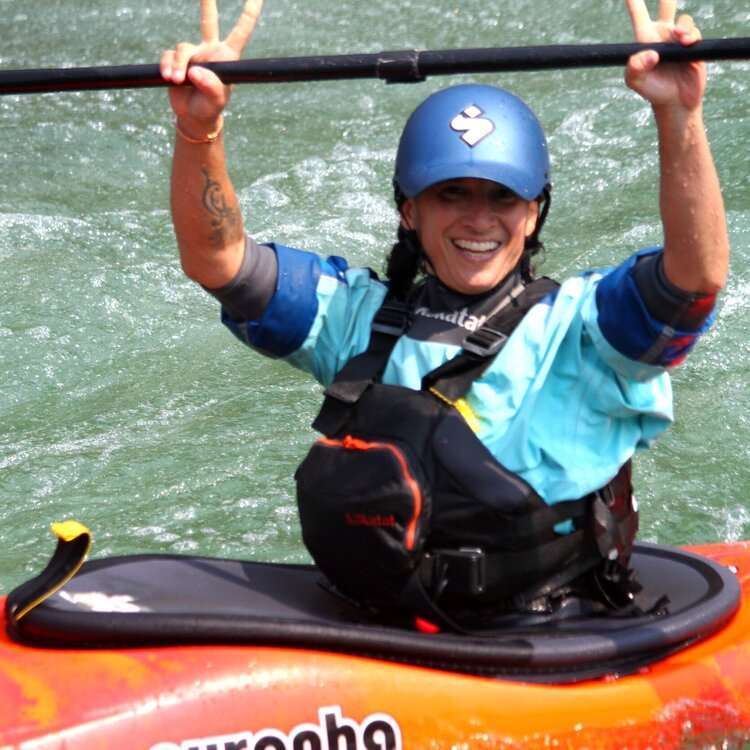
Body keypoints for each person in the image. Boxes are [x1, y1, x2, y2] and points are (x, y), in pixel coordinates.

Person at [160, 0, 729, 628]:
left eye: (501, 197)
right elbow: (221, 264)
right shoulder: (358, 317)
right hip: (389, 620)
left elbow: (693, 281)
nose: (478, 219)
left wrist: (677, 113)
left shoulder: (579, 329)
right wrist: (200, 130)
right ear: (410, 210)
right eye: (450, 193)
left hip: (551, 627)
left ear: (533, 213)